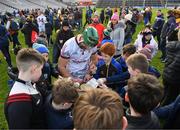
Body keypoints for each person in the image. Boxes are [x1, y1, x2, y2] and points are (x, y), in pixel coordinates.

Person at [4, 48, 45, 129]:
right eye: (41, 69)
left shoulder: (29, 82)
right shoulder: (19, 103)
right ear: (34, 69)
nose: (41, 73)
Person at [162, 29, 180, 105]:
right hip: (175, 79)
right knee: (170, 98)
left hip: (167, 74)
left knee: (165, 92)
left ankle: (158, 104)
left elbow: (170, 37)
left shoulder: (171, 45)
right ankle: (160, 111)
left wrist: (176, 30)